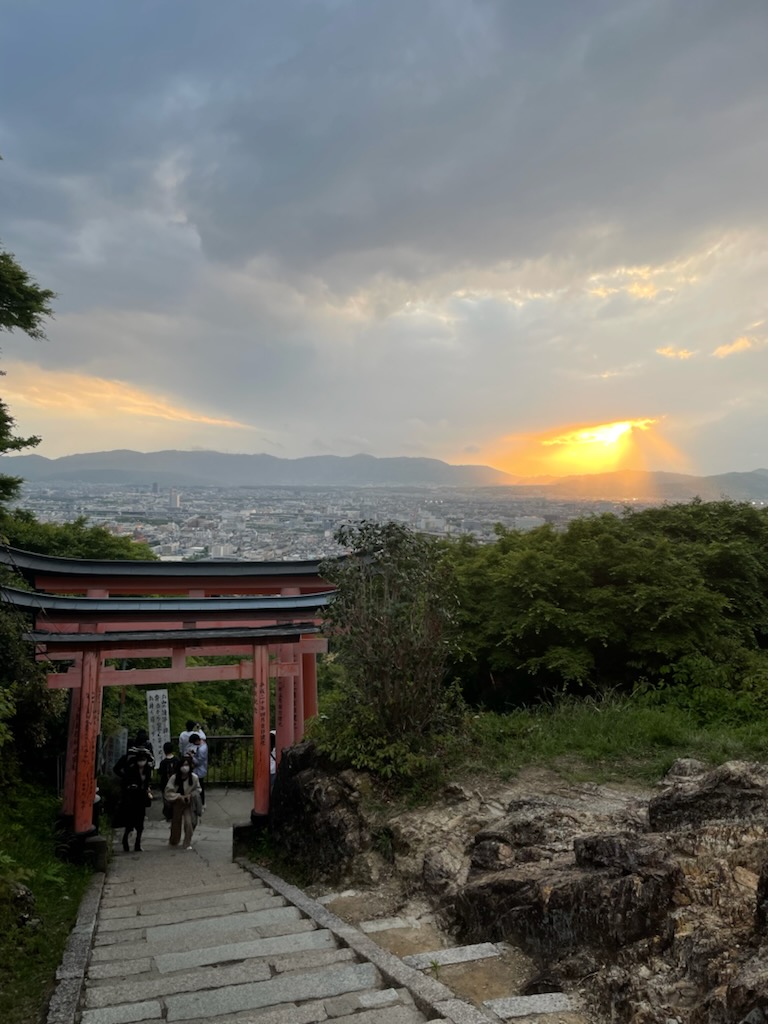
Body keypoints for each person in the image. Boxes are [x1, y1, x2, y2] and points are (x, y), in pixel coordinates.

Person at [114, 747, 153, 852]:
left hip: (141, 798)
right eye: (140, 760)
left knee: (140, 822)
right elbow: (125, 781)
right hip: (131, 798)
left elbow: (148, 782)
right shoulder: (131, 769)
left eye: (144, 760)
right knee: (130, 821)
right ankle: (125, 840)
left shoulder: (148, 770)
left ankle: (137, 843)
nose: (142, 762)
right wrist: (130, 786)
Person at [164, 754, 202, 849]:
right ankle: (174, 841)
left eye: (187, 765)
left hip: (189, 803)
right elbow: (168, 791)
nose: (185, 767)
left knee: (189, 823)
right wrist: (178, 796)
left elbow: (198, 789)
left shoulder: (194, 778)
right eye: (183, 765)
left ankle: (187, 842)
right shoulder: (174, 778)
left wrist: (190, 795)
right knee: (176, 823)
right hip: (177, 802)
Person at [157, 741, 180, 822]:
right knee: (175, 799)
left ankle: (168, 816)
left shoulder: (163, 762)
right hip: (175, 784)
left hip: (165, 784)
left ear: (164, 750)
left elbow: (160, 773)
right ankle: (175, 815)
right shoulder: (177, 759)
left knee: (166, 800)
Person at [186, 732, 208, 807]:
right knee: (199, 787)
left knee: (200, 787)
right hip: (201, 769)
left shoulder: (202, 749)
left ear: (196, 740)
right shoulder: (203, 743)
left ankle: (202, 803)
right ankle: (201, 802)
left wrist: (192, 756)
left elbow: (198, 762)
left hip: (200, 770)